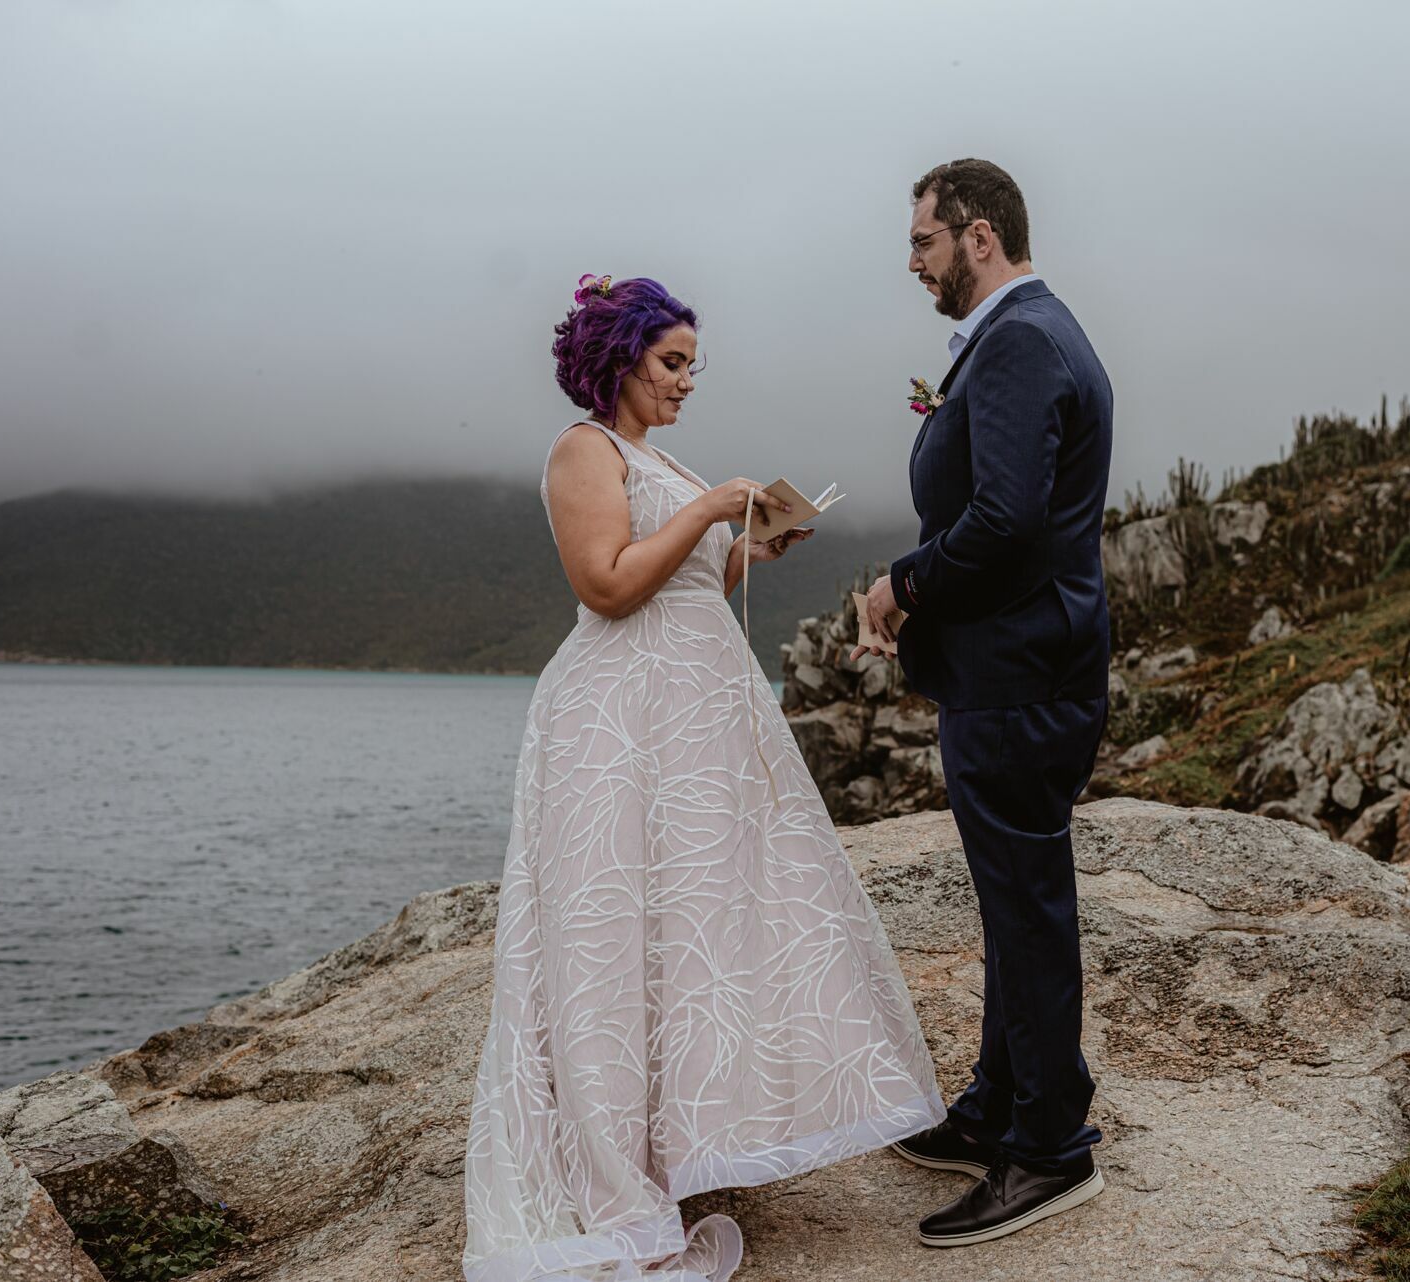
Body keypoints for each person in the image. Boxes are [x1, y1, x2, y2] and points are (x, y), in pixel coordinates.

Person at [462, 275, 944, 1282]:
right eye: (673, 361)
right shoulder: (581, 451)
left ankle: (684, 1132)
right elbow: (605, 583)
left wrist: (753, 540)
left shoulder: (657, 458)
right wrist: (714, 506)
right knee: (612, 933)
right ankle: (608, 1162)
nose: (688, 381)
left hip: (687, 720)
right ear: (622, 356)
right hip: (618, 721)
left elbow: (682, 581)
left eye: (694, 365)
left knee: (693, 924)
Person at [858, 160, 1114, 1247]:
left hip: (1017, 674)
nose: (911, 263)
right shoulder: (1041, 330)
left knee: (1026, 907)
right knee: (1013, 901)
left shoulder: (1016, 342)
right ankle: (999, 1105)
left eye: (921, 242)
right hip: (1026, 664)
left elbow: (1008, 519)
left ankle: (1050, 1148)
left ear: (976, 236)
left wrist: (904, 586)